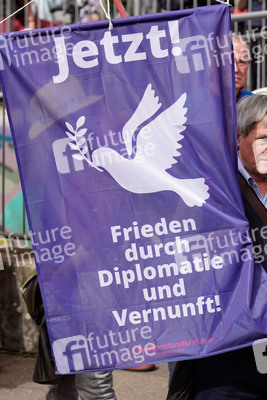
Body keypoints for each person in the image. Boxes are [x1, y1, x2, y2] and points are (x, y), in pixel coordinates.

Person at [167, 94, 267, 400]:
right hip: (228, 353)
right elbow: (184, 259)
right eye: (264, 137)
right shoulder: (210, 190)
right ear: (239, 137)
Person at [233, 34, 253, 101]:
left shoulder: (254, 104)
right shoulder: (201, 102)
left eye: (241, 62)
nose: (236, 70)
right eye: (229, 63)